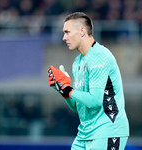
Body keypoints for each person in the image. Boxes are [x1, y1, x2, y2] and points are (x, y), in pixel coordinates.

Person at [48, 12, 129, 150]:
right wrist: (63, 89)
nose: (64, 37)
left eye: (67, 32)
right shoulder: (77, 62)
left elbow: (95, 101)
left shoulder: (100, 56)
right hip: (85, 134)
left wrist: (68, 89)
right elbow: (78, 107)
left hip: (108, 130)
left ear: (82, 31)